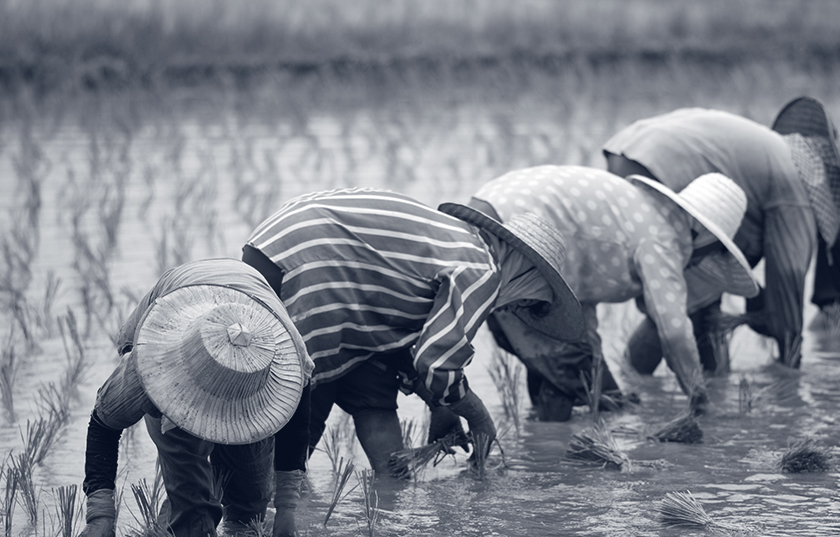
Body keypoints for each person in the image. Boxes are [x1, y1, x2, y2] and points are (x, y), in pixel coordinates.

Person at [241, 187, 584, 476]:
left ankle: (383, 496)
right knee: (297, 400)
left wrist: (442, 407)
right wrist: (479, 418)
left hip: (285, 245)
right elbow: (437, 363)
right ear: (527, 273)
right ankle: (262, 506)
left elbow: (410, 341)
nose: (514, 309)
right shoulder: (482, 269)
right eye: (528, 303)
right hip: (309, 262)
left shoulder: (456, 241)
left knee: (370, 384)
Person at [60, 258, 314, 537]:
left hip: (251, 338)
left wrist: (286, 513)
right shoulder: (148, 366)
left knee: (249, 513)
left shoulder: (288, 362)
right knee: (192, 518)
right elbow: (103, 424)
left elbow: (294, 433)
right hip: (176, 337)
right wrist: (100, 520)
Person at [470, 165, 759, 418]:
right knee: (570, 371)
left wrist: (601, 379)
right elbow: (674, 330)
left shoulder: (642, 210)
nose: (703, 261)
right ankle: (551, 465)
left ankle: (543, 446)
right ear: (705, 235)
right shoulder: (664, 239)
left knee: (566, 370)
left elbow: (577, 305)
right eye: (715, 251)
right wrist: (699, 397)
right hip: (516, 232)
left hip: (487, 209)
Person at [602, 96, 840, 371]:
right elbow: (788, 272)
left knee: (699, 302)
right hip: (659, 170)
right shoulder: (796, 181)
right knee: (683, 303)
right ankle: (631, 384)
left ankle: (686, 389)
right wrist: (790, 357)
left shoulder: (776, 153)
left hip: (629, 150)